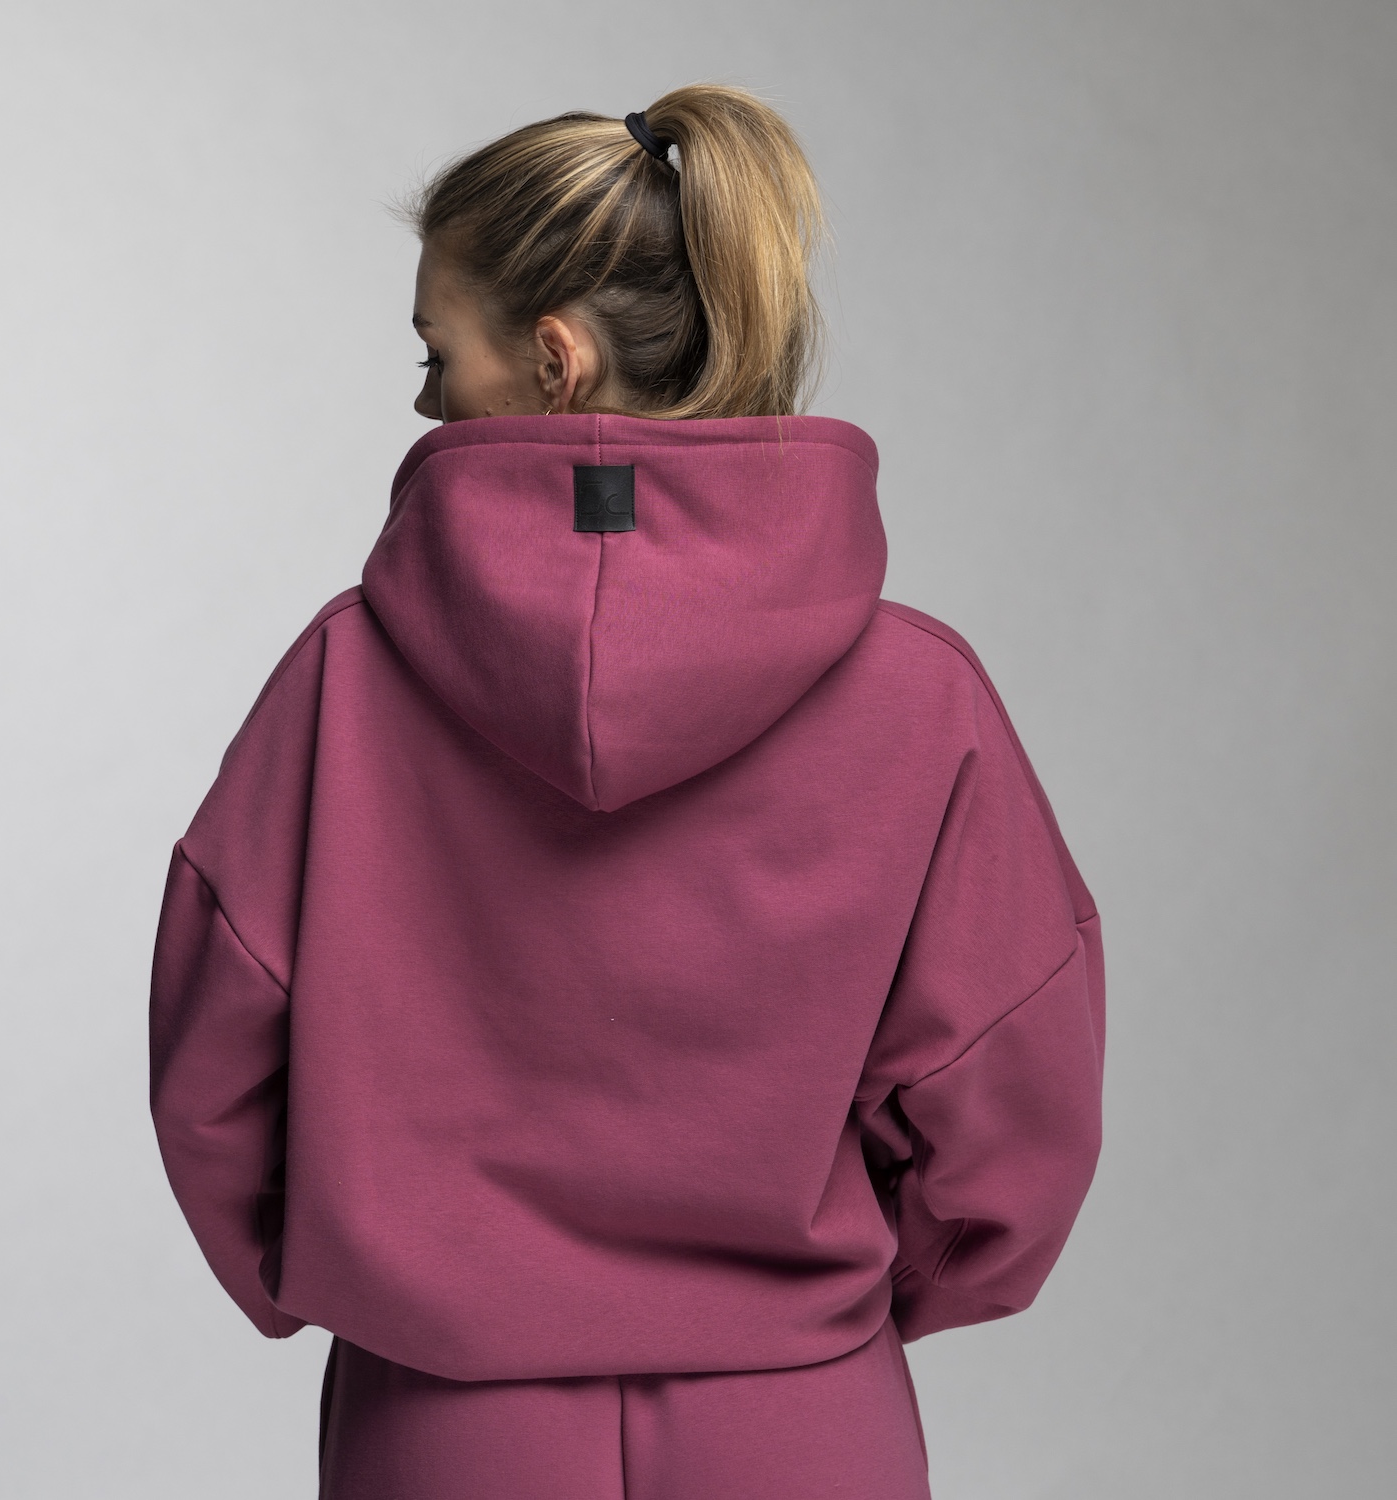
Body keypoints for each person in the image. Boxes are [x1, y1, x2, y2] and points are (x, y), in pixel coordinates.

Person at [149, 84, 1105, 1500]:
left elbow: (216, 1072)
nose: (422, 399)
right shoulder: (924, 696)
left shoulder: (344, 681)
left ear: (554, 359)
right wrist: (822, 1317)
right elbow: (1012, 1098)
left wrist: (358, 1272)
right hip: (801, 1423)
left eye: (436, 353)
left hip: (445, 1430)